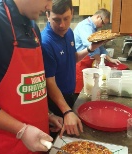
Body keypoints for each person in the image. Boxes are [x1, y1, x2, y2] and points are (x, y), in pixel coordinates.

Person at [0, 0, 64, 153]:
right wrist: (21, 130)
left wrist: (45, 115)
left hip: (39, 141)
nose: (49, 7)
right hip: (4, 146)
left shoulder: (33, 27)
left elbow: (29, 85)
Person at [41, 0, 106, 138]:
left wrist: (90, 48)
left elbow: (73, 58)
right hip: (55, 101)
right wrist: (66, 111)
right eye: (56, 20)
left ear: (72, 13)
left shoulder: (68, 32)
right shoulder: (46, 42)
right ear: (47, 15)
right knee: (59, 140)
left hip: (69, 95)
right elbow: (49, 82)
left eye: (66, 18)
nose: (62, 25)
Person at [73, 8, 128, 94]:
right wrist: (99, 60)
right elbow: (91, 47)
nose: (102, 26)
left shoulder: (93, 28)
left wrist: (110, 59)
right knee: (81, 92)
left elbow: (99, 46)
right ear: (98, 16)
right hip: (81, 63)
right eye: (102, 23)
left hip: (88, 63)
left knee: (90, 89)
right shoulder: (85, 27)